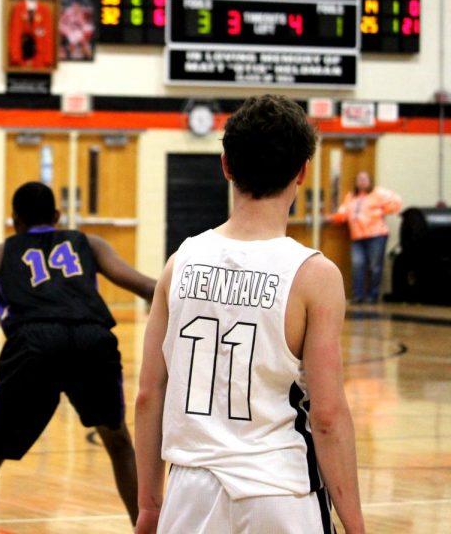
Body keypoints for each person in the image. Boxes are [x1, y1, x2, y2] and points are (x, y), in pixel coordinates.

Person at [135, 95, 365, 534]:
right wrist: (354, 524)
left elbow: (149, 394)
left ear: (225, 164)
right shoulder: (314, 275)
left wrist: (149, 505)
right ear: (302, 171)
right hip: (280, 490)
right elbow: (328, 414)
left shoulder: (179, 262)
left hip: (190, 492)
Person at [0, 181, 155, 534]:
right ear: (57, 216)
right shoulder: (89, 244)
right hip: (91, 339)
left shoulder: (0, 254)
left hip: (33, 344)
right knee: (120, 443)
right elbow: (147, 288)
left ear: (15, 221)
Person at [330, 171, 402, 303]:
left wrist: (384, 210)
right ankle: (358, 296)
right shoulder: (351, 197)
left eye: (365, 179)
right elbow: (343, 212)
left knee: (375, 267)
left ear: (370, 181)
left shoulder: (378, 193)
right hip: (357, 237)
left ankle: (373, 296)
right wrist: (333, 218)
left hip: (376, 236)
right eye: (359, 179)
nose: (362, 182)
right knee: (357, 265)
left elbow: (396, 202)